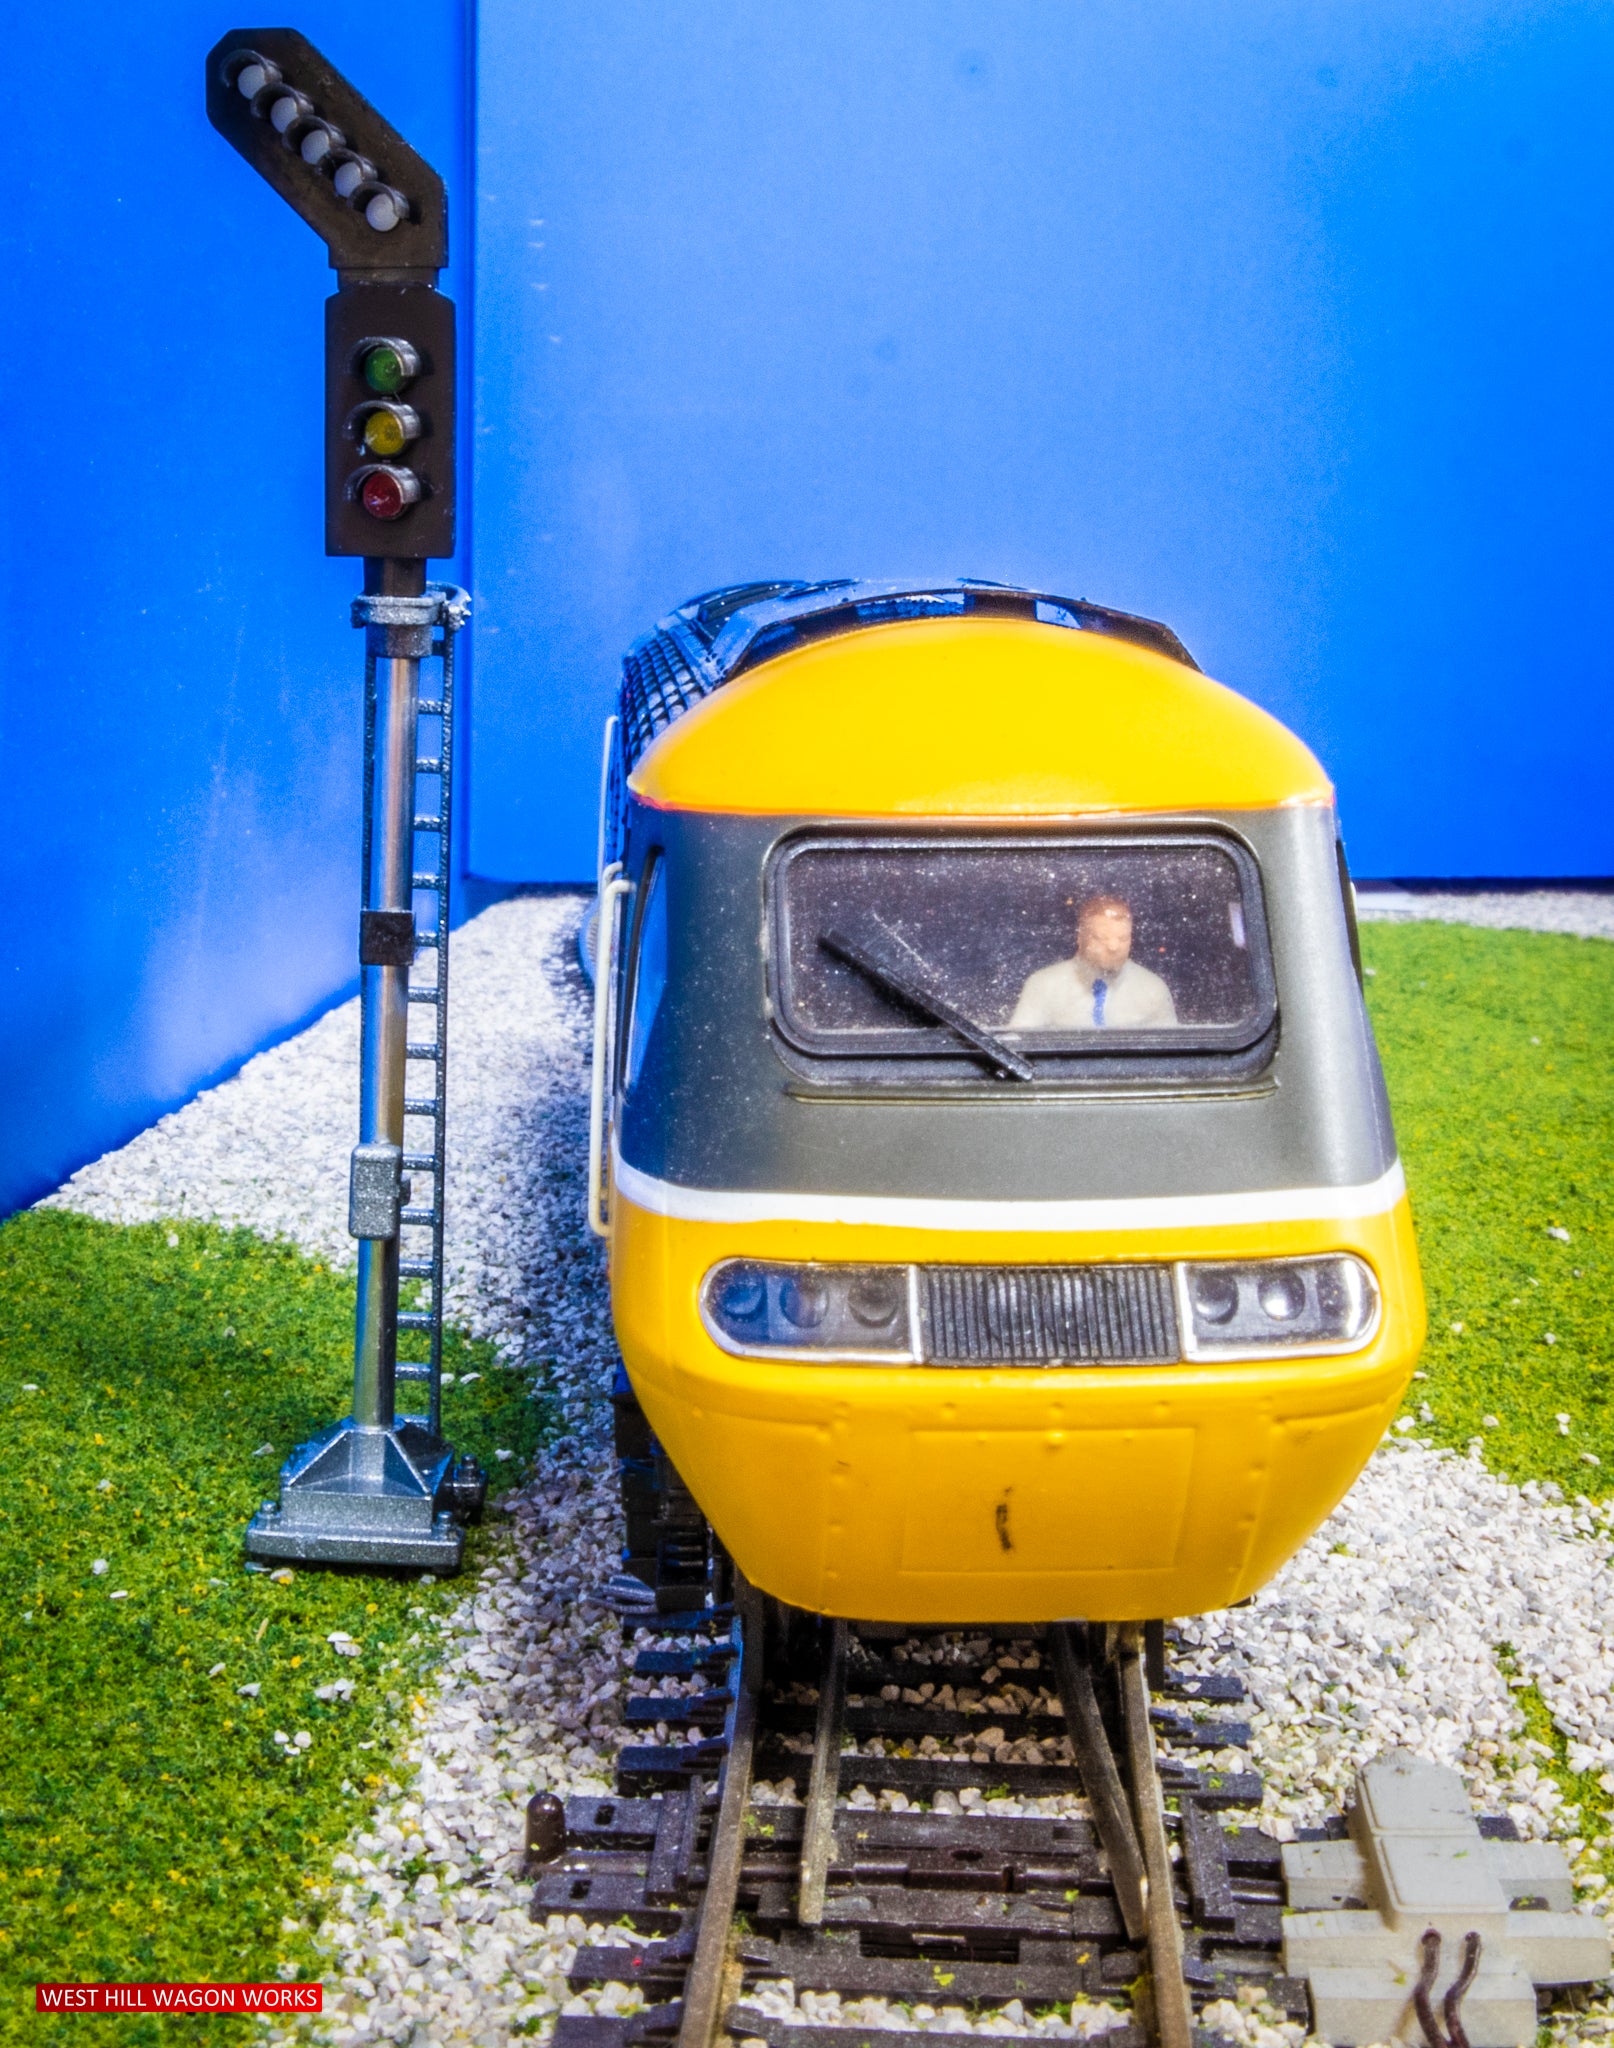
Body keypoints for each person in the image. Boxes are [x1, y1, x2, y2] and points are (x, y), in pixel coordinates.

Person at [1009, 893, 1178, 1030]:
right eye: (1102, 938)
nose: (1113, 947)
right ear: (1081, 937)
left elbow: (1169, 1053)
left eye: (1123, 938)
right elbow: (1019, 1047)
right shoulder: (1044, 986)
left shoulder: (1152, 989)